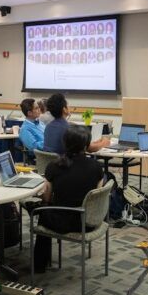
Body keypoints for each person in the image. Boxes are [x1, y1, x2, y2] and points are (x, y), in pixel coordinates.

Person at [32, 125, 103, 273]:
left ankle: (39, 264)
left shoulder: (54, 166)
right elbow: (97, 195)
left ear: (65, 144)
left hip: (63, 222)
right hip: (90, 220)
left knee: (39, 209)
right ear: (86, 145)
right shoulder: (96, 167)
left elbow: (47, 197)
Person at [42, 93, 109, 154]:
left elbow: (83, 144)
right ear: (64, 109)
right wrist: (104, 143)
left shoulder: (48, 127)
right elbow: (90, 149)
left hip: (51, 166)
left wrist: (97, 142)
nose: (69, 107)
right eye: (68, 105)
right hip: (66, 166)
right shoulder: (69, 130)